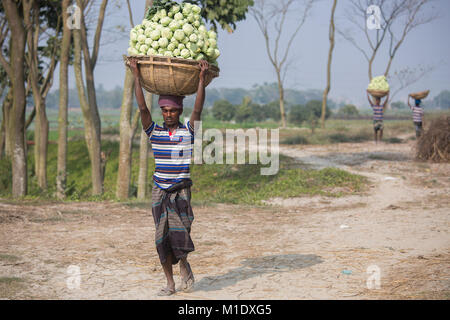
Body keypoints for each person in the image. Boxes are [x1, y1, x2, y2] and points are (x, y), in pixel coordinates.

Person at [129, 58, 209, 296]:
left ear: (179, 111)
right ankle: (170, 283)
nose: (168, 113)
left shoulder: (188, 132)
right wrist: (136, 75)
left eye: (173, 110)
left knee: (182, 233)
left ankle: (184, 264)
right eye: (164, 110)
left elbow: (198, 108)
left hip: (182, 190)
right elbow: (143, 109)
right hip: (160, 191)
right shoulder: (155, 132)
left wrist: (202, 79)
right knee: (161, 237)